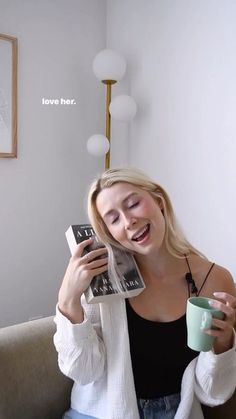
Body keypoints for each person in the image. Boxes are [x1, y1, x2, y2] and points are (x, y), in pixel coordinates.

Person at [54, 167, 236, 419]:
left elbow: (213, 393)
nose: (129, 222)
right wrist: (68, 298)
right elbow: (84, 372)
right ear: (109, 233)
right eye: (114, 219)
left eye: (133, 204)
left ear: (159, 201)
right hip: (101, 412)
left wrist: (223, 344)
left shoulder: (214, 279)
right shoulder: (102, 279)